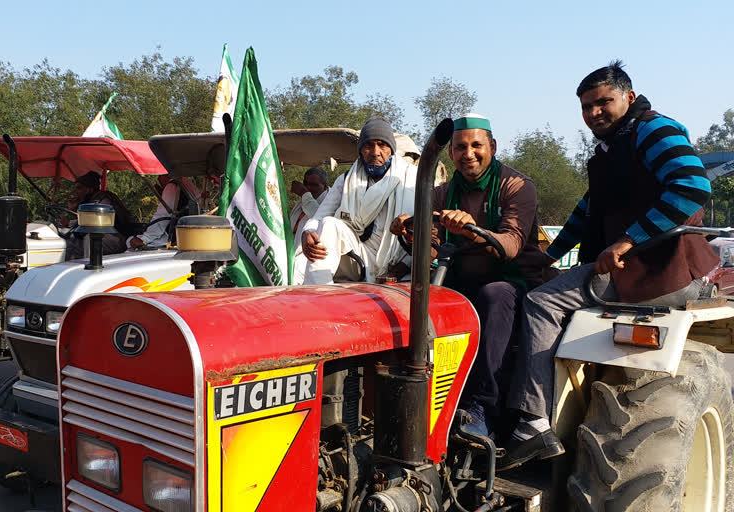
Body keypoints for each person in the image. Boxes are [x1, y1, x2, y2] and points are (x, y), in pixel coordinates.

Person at [501, 60, 717, 470]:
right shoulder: (613, 147)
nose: (594, 112)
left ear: (629, 98)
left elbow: (693, 186)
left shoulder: (653, 129)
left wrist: (626, 240)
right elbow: (588, 211)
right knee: (536, 287)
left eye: (604, 102)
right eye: (586, 106)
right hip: (636, 267)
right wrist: (547, 255)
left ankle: (531, 425)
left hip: (654, 271)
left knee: (540, 304)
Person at [391, 114, 549, 438]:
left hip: (514, 282)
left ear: (492, 146)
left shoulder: (517, 186)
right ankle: (409, 391)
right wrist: (409, 233)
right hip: (459, 279)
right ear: (450, 153)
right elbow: (431, 251)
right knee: (410, 293)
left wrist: (471, 230)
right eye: (460, 147)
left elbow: (511, 245)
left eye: (477, 145)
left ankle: (484, 409)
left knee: (494, 295)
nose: (469, 153)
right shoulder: (439, 193)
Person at [293, 117, 417, 284]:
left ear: (391, 150)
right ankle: (319, 293)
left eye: (382, 145)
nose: (375, 152)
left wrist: (401, 267)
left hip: (397, 261)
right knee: (329, 224)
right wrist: (307, 232)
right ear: (360, 150)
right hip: (358, 255)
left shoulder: (411, 179)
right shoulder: (346, 180)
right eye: (368, 145)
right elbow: (319, 217)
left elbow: (427, 237)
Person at [66, 171, 132, 259]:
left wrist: (69, 222)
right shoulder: (89, 200)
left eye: (79, 188)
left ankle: (89, 266)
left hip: (116, 238)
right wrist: (73, 210)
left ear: (89, 189)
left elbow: (94, 221)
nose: (76, 192)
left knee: (86, 240)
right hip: (102, 235)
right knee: (67, 241)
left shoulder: (103, 200)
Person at [127, 174, 200, 250]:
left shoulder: (171, 186)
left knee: (129, 241)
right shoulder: (187, 183)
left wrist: (145, 239)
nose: (158, 179)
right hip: (189, 234)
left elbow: (162, 215)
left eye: (159, 175)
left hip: (173, 237)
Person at [289, 167, 329, 252]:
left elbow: (319, 217)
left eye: (314, 185)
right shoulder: (305, 198)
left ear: (325, 186)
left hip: (307, 257)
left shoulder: (330, 202)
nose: (308, 188)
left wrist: (304, 193)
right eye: (305, 183)